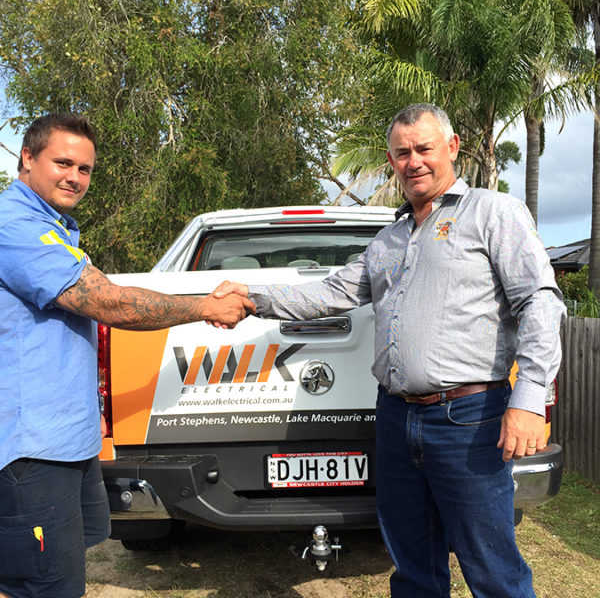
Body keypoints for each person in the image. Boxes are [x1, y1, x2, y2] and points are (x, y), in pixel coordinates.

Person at [211, 103, 566, 597]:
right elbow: (330, 293)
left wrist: (529, 397)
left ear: (452, 147)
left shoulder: (493, 212)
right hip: (397, 419)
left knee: (493, 571)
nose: (413, 161)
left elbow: (541, 302)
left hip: (469, 419)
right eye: (402, 153)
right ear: (390, 160)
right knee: (413, 568)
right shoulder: (387, 240)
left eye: (424, 148)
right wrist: (252, 299)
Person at [0, 113, 255, 598]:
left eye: (85, 169)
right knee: (41, 583)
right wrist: (204, 306)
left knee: (57, 568)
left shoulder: (53, 227)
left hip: (65, 439)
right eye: (62, 163)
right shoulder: (15, 227)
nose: (75, 177)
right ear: (27, 158)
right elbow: (109, 303)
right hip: (32, 450)